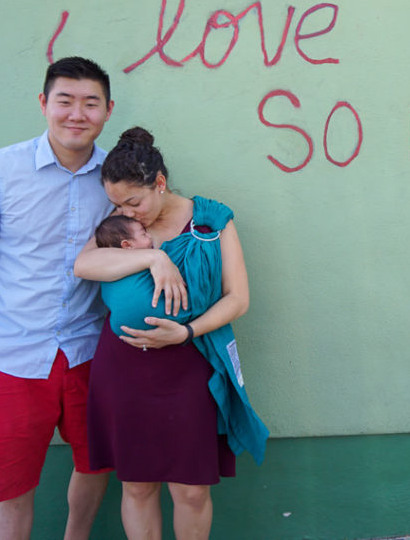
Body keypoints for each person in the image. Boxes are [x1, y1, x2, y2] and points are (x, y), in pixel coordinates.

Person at [0, 56, 115, 540]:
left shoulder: (116, 180)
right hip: (10, 357)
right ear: (44, 104)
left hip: (89, 351)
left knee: (97, 462)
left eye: (90, 103)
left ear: (107, 110)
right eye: (64, 101)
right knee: (11, 486)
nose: (76, 114)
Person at [74, 126, 268, 539]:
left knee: (192, 489)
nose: (126, 213)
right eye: (116, 204)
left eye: (133, 201)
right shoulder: (121, 224)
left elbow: (238, 299)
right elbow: (84, 266)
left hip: (189, 366)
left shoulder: (213, 220)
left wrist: (185, 333)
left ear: (159, 184)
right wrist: (152, 259)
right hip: (124, 369)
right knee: (137, 484)